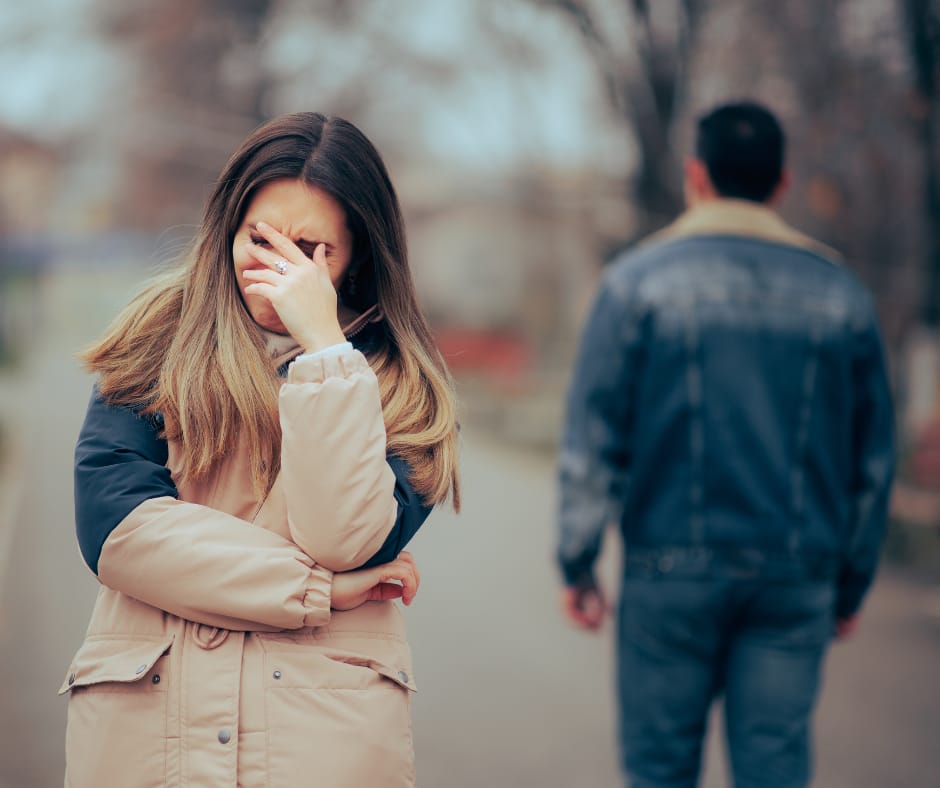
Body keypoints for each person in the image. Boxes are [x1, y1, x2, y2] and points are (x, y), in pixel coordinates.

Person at [61, 112, 460, 787]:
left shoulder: (403, 387)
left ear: (357, 257)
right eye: (259, 237)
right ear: (228, 227)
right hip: (148, 729)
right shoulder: (153, 340)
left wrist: (326, 352)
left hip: (318, 742)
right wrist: (316, 590)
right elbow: (117, 532)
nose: (277, 265)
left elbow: (344, 541)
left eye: (309, 249)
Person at [556, 101, 895, 788]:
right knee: (774, 769)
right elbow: (872, 459)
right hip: (797, 578)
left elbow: (592, 432)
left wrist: (579, 559)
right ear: (782, 184)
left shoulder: (634, 284)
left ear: (696, 176)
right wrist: (851, 581)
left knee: (659, 771)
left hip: (666, 572)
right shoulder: (842, 296)